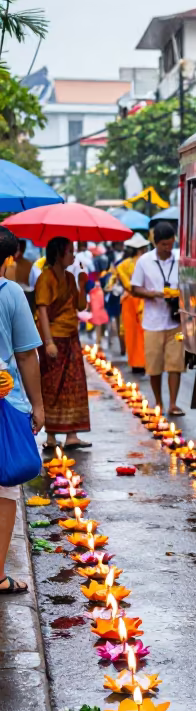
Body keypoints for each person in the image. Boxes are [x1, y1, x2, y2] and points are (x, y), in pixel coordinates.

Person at [0, 228, 44, 594]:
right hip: (5, 400)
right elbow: (27, 353)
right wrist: (38, 405)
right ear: (9, 259)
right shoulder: (11, 293)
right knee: (5, 489)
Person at [34, 236, 91, 451]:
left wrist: (83, 285)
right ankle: (50, 435)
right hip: (53, 338)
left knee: (74, 386)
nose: (73, 256)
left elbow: (80, 306)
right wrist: (48, 342)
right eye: (70, 252)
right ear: (59, 254)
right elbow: (42, 311)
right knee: (52, 386)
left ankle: (72, 435)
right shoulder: (45, 279)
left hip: (71, 336)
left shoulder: (69, 278)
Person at [131, 221, 184, 414]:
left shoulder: (179, 258)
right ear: (156, 243)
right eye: (164, 245)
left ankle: (173, 403)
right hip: (152, 322)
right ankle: (159, 402)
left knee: (175, 363)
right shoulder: (144, 261)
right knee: (154, 365)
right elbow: (135, 288)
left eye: (170, 244)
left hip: (175, 321)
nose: (168, 248)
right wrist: (153, 294)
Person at [115, 234, 149, 373]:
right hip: (144, 299)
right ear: (141, 249)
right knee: (143, 332)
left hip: (129, 300)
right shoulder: (146, 262)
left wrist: (130, 287)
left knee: (131, 332)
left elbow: (122, 277)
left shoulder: (125, 264)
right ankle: (143, 362)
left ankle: (135, 363)